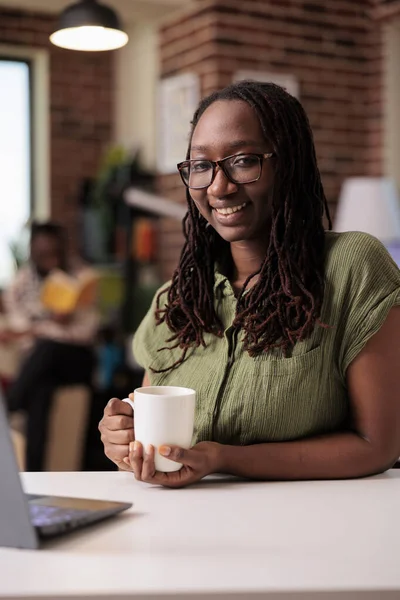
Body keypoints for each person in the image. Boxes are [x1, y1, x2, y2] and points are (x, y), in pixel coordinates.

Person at [99, 80, 400, 488]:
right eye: (202, 166)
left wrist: (224, 458)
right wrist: (127, 443)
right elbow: (156, 449)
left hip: (313, 533)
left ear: (287, 163)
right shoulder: (177, 300)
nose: (219, 187)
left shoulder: (352, 267)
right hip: (181, 534)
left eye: (242, 160)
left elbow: (377, 445)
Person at [3, 221, 99, 471]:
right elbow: (17, 324)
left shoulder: (82, 277)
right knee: (39, 394)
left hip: (75, 359)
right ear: (33, 253)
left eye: (56, 254)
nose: (52, 262)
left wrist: (43, 327)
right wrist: (50, 322)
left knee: (48, 347)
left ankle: (10, 404)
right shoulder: (22, 282)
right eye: (44, 255)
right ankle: (34, 476)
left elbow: (87, 331)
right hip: (42, 366)